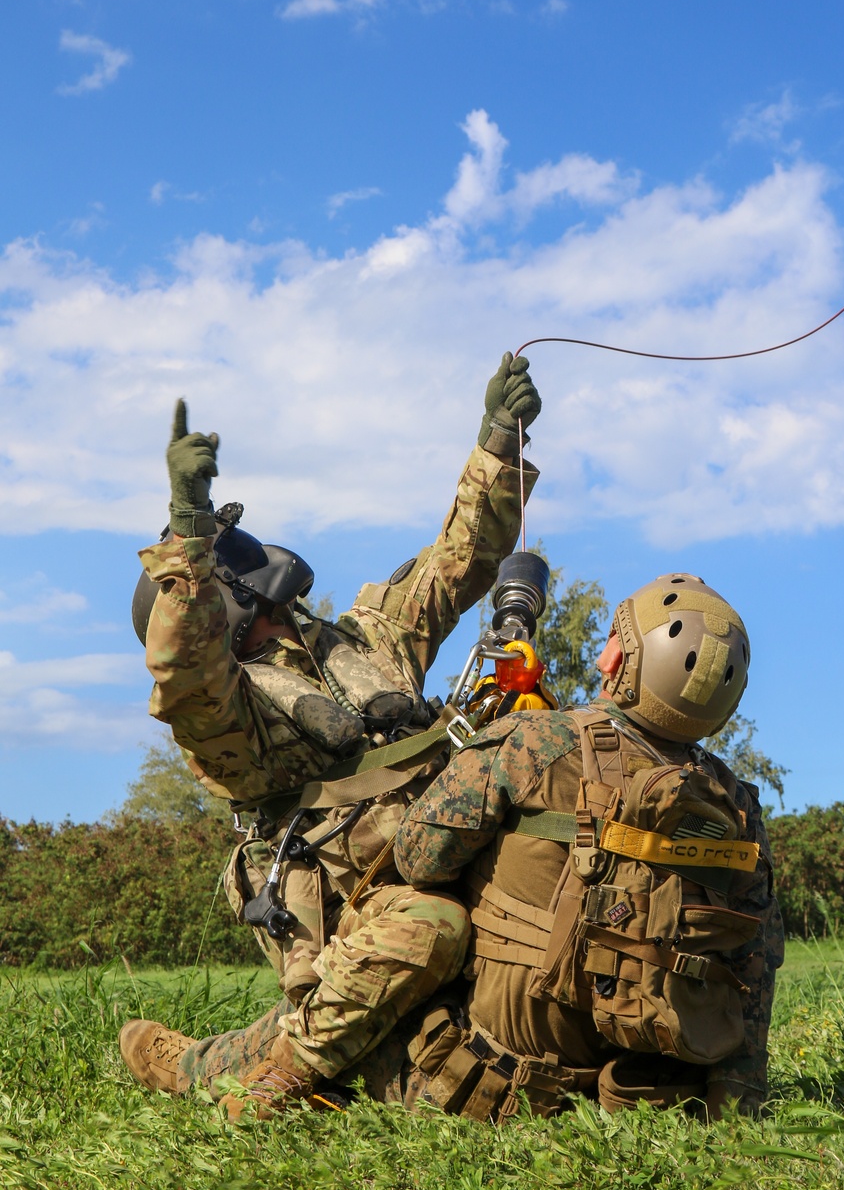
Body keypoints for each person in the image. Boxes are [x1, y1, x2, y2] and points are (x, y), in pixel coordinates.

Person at [118, 353, 542, 1119]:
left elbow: (455, 565)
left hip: (457, 850)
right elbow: (188, 678)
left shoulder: (365, 640)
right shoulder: (234, 721)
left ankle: (219, 1058)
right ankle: (230, 1074)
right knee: (430, 933)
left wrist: (496, 447)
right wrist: (187, 534)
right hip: (368, 915)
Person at [392, 571, 784, 1122]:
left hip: (491, 1083)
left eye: (612, 642)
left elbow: (416, 858)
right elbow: (757, 965)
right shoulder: (737, 804)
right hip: (647, 1100)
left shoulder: (535, 739)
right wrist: (737, 1100)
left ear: (617, 662)